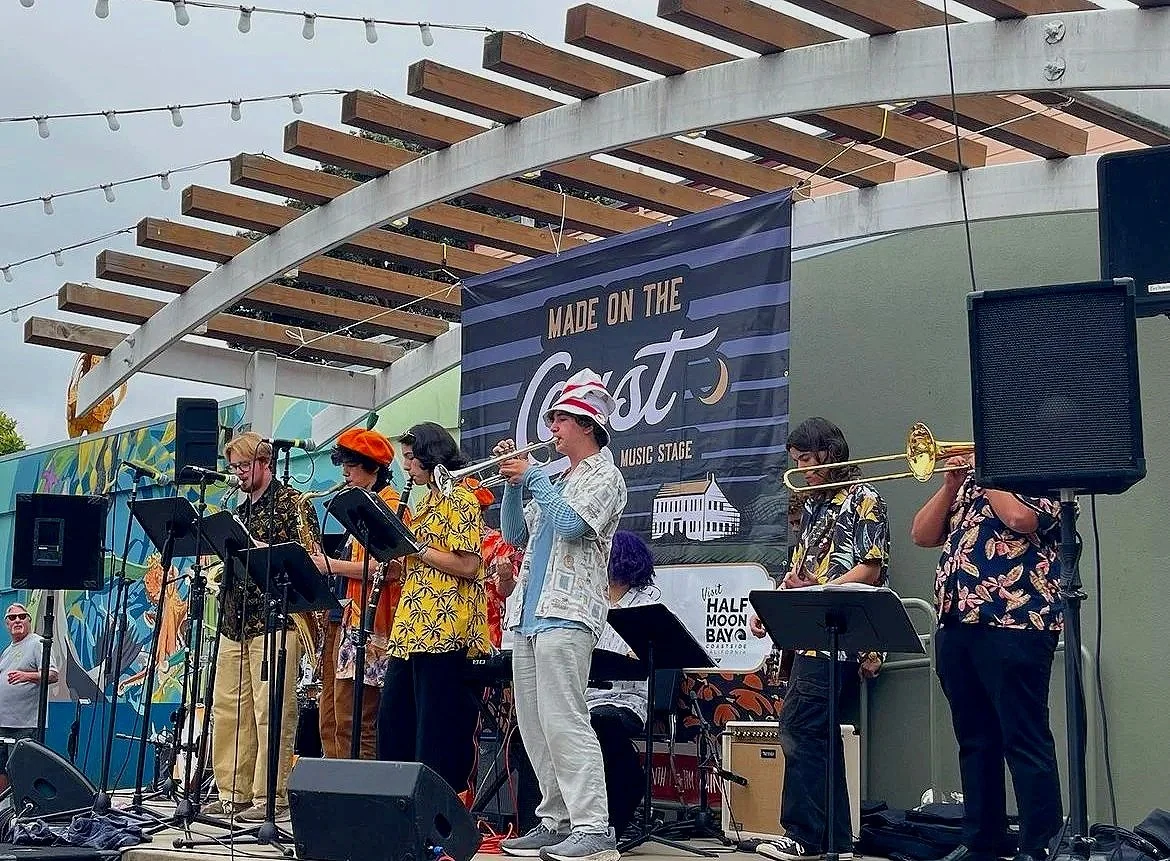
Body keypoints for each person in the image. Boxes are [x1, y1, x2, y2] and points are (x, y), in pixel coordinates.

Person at [497, 369, 628, 861]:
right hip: (530, 616)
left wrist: (531, 476)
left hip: (569, 613)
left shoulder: (605, 475)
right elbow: (514, 535)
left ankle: (594, 828)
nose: (552, 428)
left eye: (559, 420)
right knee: (534, 725)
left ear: (586, 424)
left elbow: (572, 526)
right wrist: (514, 486)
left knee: (566, 721)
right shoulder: (558, 477)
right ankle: (556, 820)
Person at [911, 452, 1063, 861]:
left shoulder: (1044, 475)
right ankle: (983, 839)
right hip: (959, 624)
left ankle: (1040, 843)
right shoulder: (967, 487)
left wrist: (988, 474)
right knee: (974, 740)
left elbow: (1019, 520)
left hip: (1016, 624)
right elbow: (922, 535)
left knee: (1024, 738)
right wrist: (950, 484)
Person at [750, 417, 890, 861]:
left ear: (831, 454)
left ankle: (805, 836)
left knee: (800, 727)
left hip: (840, 633)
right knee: (818, 735)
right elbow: (802, 573)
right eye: (796, 461)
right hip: (811, 632)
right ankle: (834, 840)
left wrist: (812, 589)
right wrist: (775, 606)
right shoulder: (811, 505)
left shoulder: (864, 498)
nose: (802, 469)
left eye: (808, 459)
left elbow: (871, 570)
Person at [208, 432, 318, 821]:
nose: (238, 473)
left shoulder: (293, 503)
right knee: (227, 708)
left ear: (265, 462)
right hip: (235, 619)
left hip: (277, 618)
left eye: (244, 466)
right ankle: (231, 794)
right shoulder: (240, 508)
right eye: (233, 467)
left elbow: (311, 562)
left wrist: (257, 547)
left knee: (270, 710)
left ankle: (270, 798)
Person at [377, 422, 489, 799]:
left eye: (410, 458)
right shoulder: (426, 502)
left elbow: (469, 564)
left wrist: (414, 547)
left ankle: (434, 812)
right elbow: (414, 561)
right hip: (412, 626)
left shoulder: (461, 498)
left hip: (445, 626)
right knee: (394, 721)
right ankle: (394, 804)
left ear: (430, 454)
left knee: (434, 730)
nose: (406, 467)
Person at [309, 428, 403, 760]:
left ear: (373, 467)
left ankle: (356, 800)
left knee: (358, 721)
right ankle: (335, 796)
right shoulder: (362, 504)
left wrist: (331, 565)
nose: (345, 473)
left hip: (372, 625)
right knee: (332, 717)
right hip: (348, 618)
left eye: (351, 465)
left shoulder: (390, 505)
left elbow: (390, 568)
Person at [0, 603, 57, 792]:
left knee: (23, 771)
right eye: (12, 617)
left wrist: (27, 676)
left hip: (25, 725)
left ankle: (22, 811)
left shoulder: (37, 643)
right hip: (4, 723)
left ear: (29, 621)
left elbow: (53, 674)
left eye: (22, 616)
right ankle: (4, 811)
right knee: (2, 769)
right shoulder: (8, 649)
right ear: (6, 624)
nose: (17, 620)